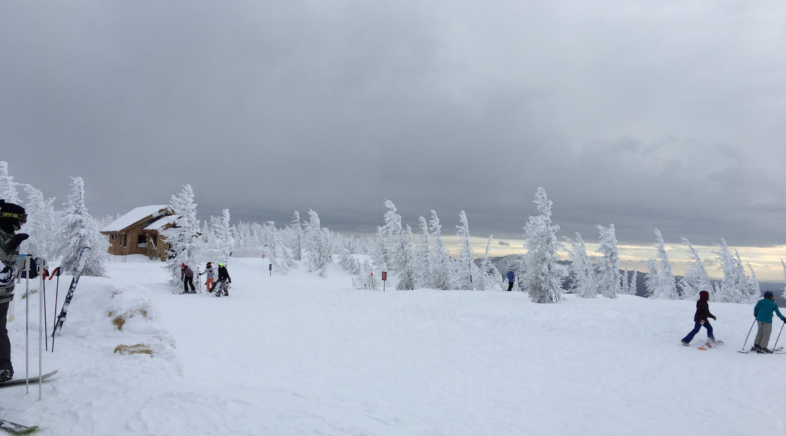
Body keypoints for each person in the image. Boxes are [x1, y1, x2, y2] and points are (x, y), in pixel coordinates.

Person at [0, 200, 29, 382]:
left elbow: (8, 266)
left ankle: (4, 368)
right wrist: (9, 248)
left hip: (2, 294)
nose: (22, 224)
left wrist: (11, 248)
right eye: (22, 219)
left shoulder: (11, 237)